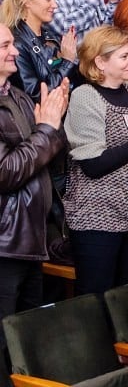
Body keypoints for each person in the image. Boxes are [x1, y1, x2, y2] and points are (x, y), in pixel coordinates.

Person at [0, 22, 69, 369]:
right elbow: (6, 172)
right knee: (4, 343)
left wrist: (52, 126)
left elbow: (49, 155)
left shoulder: (16, 96)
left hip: (30, 233)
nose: (15, 51)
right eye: (5, 46)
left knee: (27, 342)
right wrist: (46, 129)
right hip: (4, 240)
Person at [64, 25, 128, 295]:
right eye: (123, 57)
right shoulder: (85, 96)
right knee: (95, 299)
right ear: (100, 61)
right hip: (95, 218)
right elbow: (93, 164)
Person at [1, 0, 78, 102]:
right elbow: (33, 94)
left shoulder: (49, 34)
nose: (55, 5)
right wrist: (67, 62)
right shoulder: (16, 43)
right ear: (27, 2)